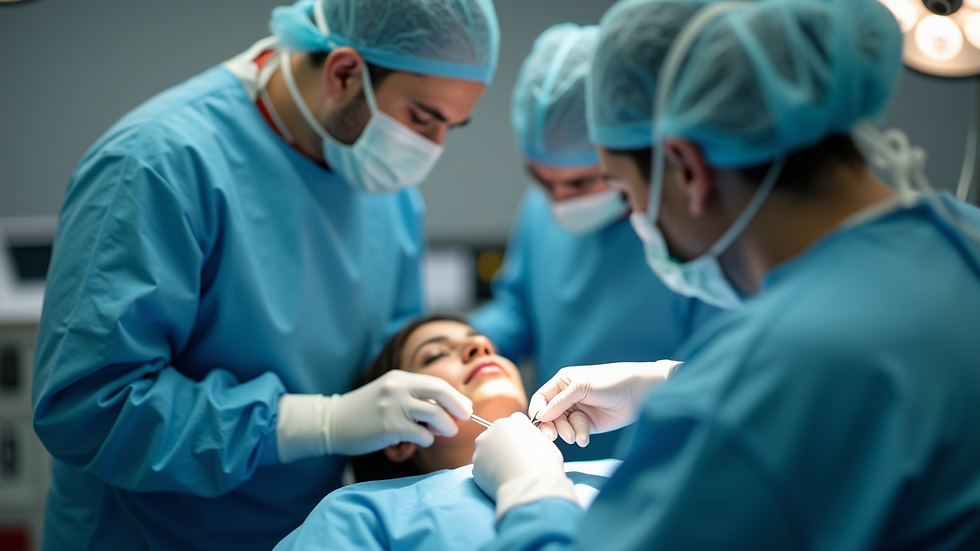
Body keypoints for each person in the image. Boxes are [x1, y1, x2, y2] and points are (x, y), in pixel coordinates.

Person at [471, 0, 980, 549]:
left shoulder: (774, 375)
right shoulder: (963, 238)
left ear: (687, 169)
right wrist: (671, 381)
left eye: (619, 190)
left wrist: (530, 490)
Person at [30, 1, 499, 549]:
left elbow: (388, 368)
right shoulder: (157, 164)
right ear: (344, 73)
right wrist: (315, 423)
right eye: (422, 118)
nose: (432, 149)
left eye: (451, 126)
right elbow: (88, 406)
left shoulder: (387, 195)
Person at [469, 23, 717, 461]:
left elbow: (733, 370)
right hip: (560, 456)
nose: (559, 199)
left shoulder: (690, 228)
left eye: (582, 181)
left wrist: (657, 384)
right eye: (542, 180)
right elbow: (520, 307)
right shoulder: (539, 209)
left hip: (666, 460)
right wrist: (459, 347)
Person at [273, 315, 620, 550]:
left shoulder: (620, 471)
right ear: (399, 438)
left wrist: (669, 380)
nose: (481, 346)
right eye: (436, 354)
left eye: (485, 344)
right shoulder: (357, 514)